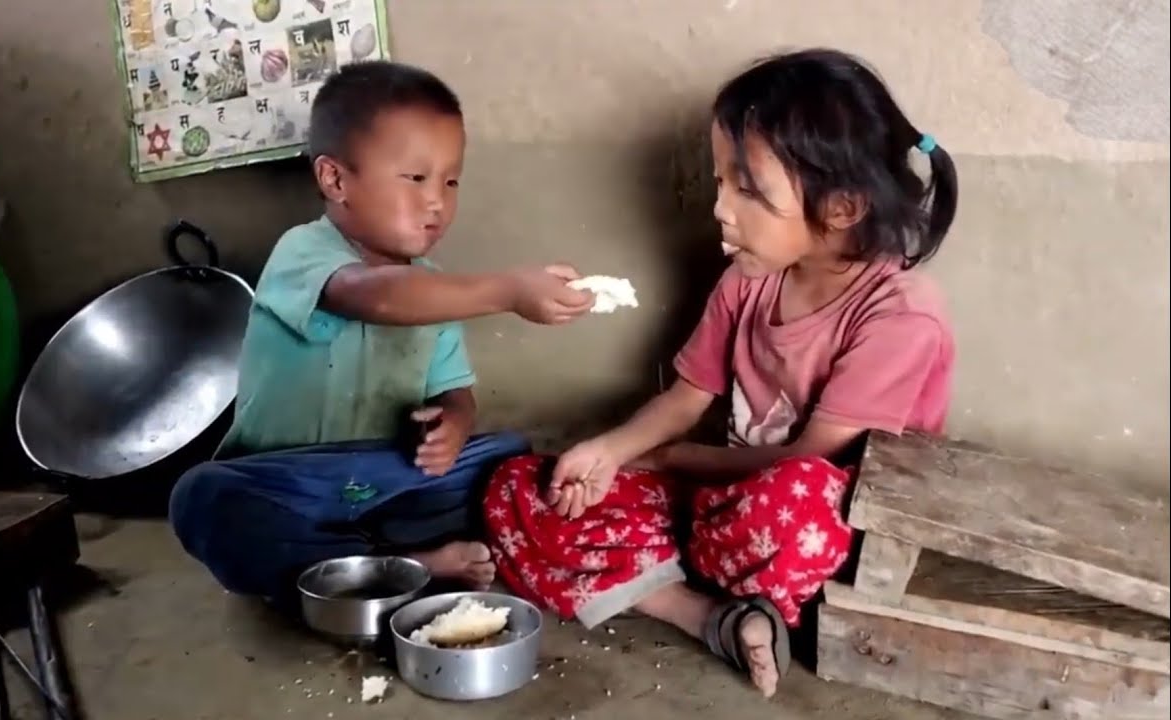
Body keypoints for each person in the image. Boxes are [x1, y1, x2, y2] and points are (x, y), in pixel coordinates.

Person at [484, 48, 959, 698]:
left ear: (842, 207)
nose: (721, 209)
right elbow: (685, 397)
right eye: (720, 183)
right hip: (714, 506)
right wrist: (609, 452)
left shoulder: (900, 314)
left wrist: (674, 459)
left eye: (750, 190)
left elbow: (819, 459)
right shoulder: (748, 279)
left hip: (811, 519)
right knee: (521, 487)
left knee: (794, 503)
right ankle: (707, 613)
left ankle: (675, 574)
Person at [169, 60, 596, 604]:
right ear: (336, 179)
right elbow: (375, 296)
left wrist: (453, 427)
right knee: (203, 497)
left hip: (389, 478)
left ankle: (373, 563)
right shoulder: (302, 252)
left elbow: (454, 389)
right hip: (288, 484)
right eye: (416, 178)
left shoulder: (437, 288)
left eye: (450, 180)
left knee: (510, 459)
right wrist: (508, 291)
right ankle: (406, 564)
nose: (437, 201)